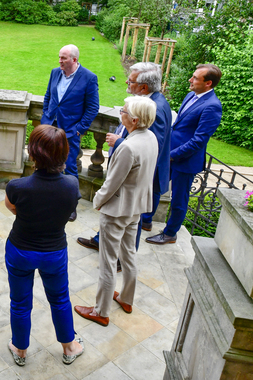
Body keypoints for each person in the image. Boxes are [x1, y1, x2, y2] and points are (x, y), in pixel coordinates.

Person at [4, 125, 85, 367]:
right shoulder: (71, 185)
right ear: (64, 154)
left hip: (20, 250)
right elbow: (69, 211)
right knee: (60, 299)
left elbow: (12, 208)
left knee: (19, 302)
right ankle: (69, 347)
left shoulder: (17, 186)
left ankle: (19, 349)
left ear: (33, 153)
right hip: (54, 253)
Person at [74, 96, 159, 327]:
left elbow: (112, 182)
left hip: (118, 210)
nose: (120, 113)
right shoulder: (150, 137)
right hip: (137, 207)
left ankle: (101, 311)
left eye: (123, 111)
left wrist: (98, 201)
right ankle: (126, 299)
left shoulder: (128, 147)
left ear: (133, 119)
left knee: (108, 261)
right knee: (129, 253)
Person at [77, 62, 172, 253]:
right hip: (127, 168)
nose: (127, 81)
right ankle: (100, 239)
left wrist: (120, 143)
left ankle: (123, 258)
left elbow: (151, 147)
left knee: (131, 222)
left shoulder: (155, 107)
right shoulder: (146, 103)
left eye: (132, 80)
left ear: (144, 87)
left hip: (134, 179)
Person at [146, 64, 223, 245]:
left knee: (179, 200)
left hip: (185, 161)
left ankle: (170, 233)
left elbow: (198, 141)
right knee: (156, 185)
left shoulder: (213, 106)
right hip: (170, 154)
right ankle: (146, 220)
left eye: (196, 78)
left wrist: (172, 155)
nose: (190, 79)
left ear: (208, 83)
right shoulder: (191, 95)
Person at [41, 45, 99, 183]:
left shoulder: (89, 78)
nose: (60, 60)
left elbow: (93, 107)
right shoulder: (55, 72)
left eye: (63, 58)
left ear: (74, 59)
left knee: (70, 167)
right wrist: (46, 115)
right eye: (59, 57)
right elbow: (48, 96)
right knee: (46, 163)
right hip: (49, 126)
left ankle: (71, 200)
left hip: (70, 131)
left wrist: (79, 129)